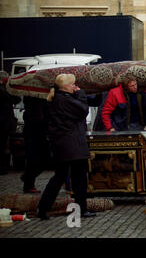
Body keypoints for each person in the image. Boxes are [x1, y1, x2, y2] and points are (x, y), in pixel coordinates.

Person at [37, 74, 95, 220]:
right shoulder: (64, 99)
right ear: (66, 86)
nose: (75, 86)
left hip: (62, 145)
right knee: (79, 179)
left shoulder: (57, 98)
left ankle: (43, 208)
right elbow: (83, 110)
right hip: (72, 144)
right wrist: (81, 93)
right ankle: (81, 209)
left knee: (59, 177)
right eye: (73, 84)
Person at [21, 96, 51, 193]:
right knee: (34, 159)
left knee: (40, 159)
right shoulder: (33, 98)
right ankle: (28, 183)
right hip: (34, 131)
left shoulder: (38, 98)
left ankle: (27, 179)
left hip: (39, 130)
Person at [0, 71, 21, 175]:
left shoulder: (4, 89)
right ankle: (3, 167)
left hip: (5, 121)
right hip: (4, 122)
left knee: (5, 144)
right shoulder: (3, 90)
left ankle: (5, 165)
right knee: (3, 144)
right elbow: (15, 99)